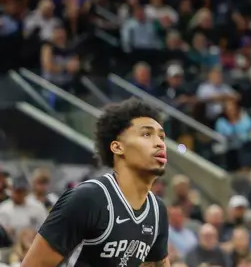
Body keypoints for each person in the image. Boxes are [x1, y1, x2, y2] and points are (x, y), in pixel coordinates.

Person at [20, 98, 169, 267]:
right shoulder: (88, 199)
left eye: (162, 137)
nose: (159, 143)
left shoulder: (157, 211)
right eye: (146, 134)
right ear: (117, 147)